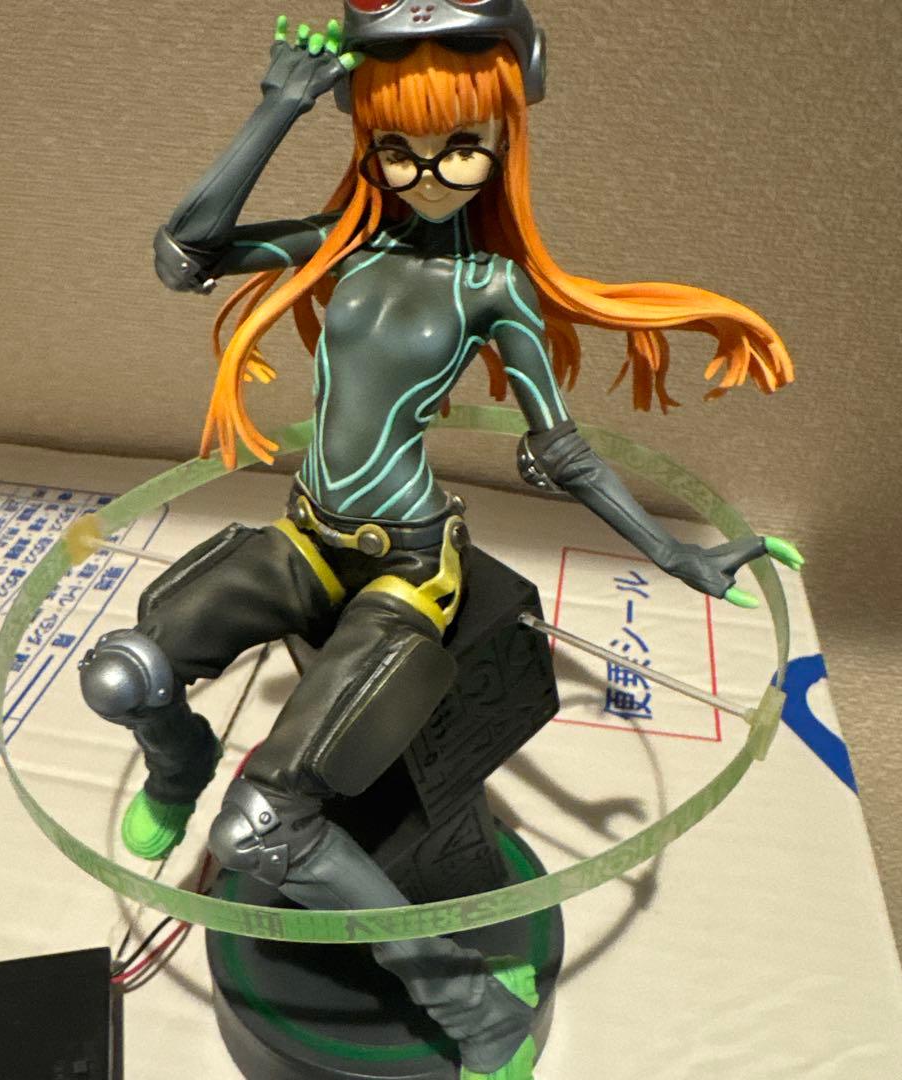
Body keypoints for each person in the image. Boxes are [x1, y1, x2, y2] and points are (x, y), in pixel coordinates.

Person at [80, 6, 801, 1076]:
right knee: (123, 673)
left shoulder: (489, 286)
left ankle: (474, 1006)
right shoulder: (339, 247)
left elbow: (562, 450)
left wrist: (674, 554)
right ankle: (178, 763)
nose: (428, 173)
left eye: (461, 146)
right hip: (309, 537)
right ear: (367, 143)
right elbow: (185, 256)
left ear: (504, 143)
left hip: (408, 569)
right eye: (398, 147)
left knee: (260, 832)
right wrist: (276, 108)